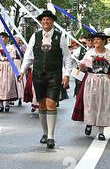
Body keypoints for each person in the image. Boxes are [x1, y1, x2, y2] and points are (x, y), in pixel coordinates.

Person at [18, 10, 72, 149]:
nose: (45, 22)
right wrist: (22, 71)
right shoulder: (35, 36)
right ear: (41, 22)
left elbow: (67, 58)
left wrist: (67, 74)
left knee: (51, 104)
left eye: (48, 20)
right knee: (41, 104)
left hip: (54, 75)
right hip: (38, 75)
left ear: (53, 22)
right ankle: (44, 132)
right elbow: (29, 56)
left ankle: (51, 136)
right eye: (43, 20)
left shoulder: (60, 37)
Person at [72, 32, 110, 140]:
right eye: (94, 39)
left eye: (98, 39)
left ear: (104, 41)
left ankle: (101, 132)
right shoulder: (89, 52)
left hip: (105, 81)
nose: (95, 41)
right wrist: (81, 66)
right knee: (90, 103)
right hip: (91, 80)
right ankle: (89, 123)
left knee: (103, 105)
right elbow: (82, 67)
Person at [0, 32, 18, 112]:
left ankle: (7, 103)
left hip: (7, 66)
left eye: (5, 37)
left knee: (7, 85)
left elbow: (13, 57)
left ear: (7, 39)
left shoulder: (11, 48)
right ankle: (1, 105)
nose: (3, 39)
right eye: (1, 37)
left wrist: (5, 59)